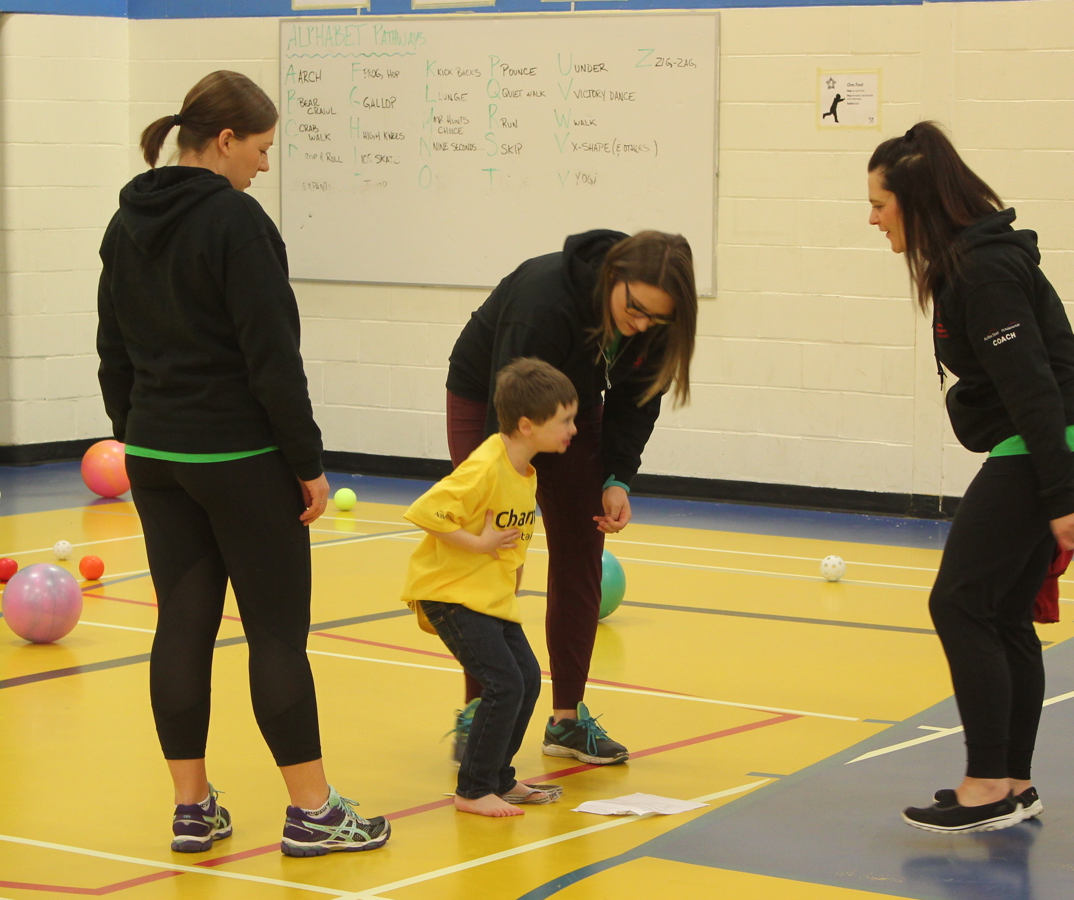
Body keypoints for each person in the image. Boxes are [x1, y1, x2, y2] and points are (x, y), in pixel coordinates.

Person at [97, 70, 389, 857]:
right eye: (261, 148)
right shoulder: (236, 222)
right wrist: (307, 462)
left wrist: (140, 431)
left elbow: (111, 348)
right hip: (240, 456)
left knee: (181, 628)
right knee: (276, 635)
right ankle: (315, 812)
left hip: (156, 454)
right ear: (224, 141)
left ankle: (191, 809)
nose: (265, 164)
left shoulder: (126, 221)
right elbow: (272, 358)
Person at [867, 121, 1074, 834]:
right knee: (1000, 613)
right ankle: (1013, 783)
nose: (871, 218)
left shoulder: (983, 270)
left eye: (879, 203)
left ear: (913, 202)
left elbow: (1032, 384)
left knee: (959, 604)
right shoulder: (970, 263)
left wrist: (1059, 498)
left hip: (1041, 450)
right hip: (1049, 447)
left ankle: (986, 784)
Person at [445, 230, 698, 766]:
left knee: (582, 548)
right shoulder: (545, 299)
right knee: (495, 551)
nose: (642, 325)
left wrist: (616, 479)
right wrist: (501, 489)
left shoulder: (651, 321)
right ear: (614, 277)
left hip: (572, 409)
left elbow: (636, 400)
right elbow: (506, 409)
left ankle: (566, 720)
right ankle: (478, 710)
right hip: (494, 395)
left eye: (658, 319)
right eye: (635, 310)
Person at [403, 358, 579, 816]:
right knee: (503, 684)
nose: (573, 429)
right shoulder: (485, 465)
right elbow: (426, 511)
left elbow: (513, 541)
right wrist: (477, 543)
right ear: (527, 425)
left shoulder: (526, 471)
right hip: (450, 594)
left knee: (525, 681)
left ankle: (499, 777)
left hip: (488, 597)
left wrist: (508, 577)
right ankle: (473, 789)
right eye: (565, 420)